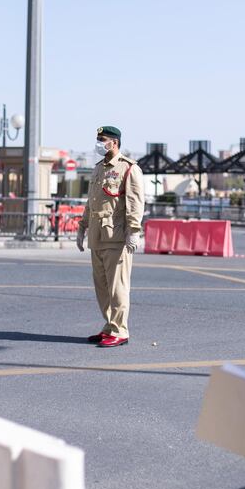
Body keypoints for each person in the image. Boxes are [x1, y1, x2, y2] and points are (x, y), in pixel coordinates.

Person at [76, 126, 145, 348]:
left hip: (116, 237)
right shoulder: (98, 169)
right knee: (102, 286)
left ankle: (120, 330)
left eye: (102, 139)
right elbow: (91, 202)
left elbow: (135, 203)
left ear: (114, 142)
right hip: (97, 235)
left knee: (118, 287)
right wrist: (82, 226)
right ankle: (109, 325)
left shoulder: (129, 168)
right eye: (97, 139)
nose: (98, 143)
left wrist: (133, 232)